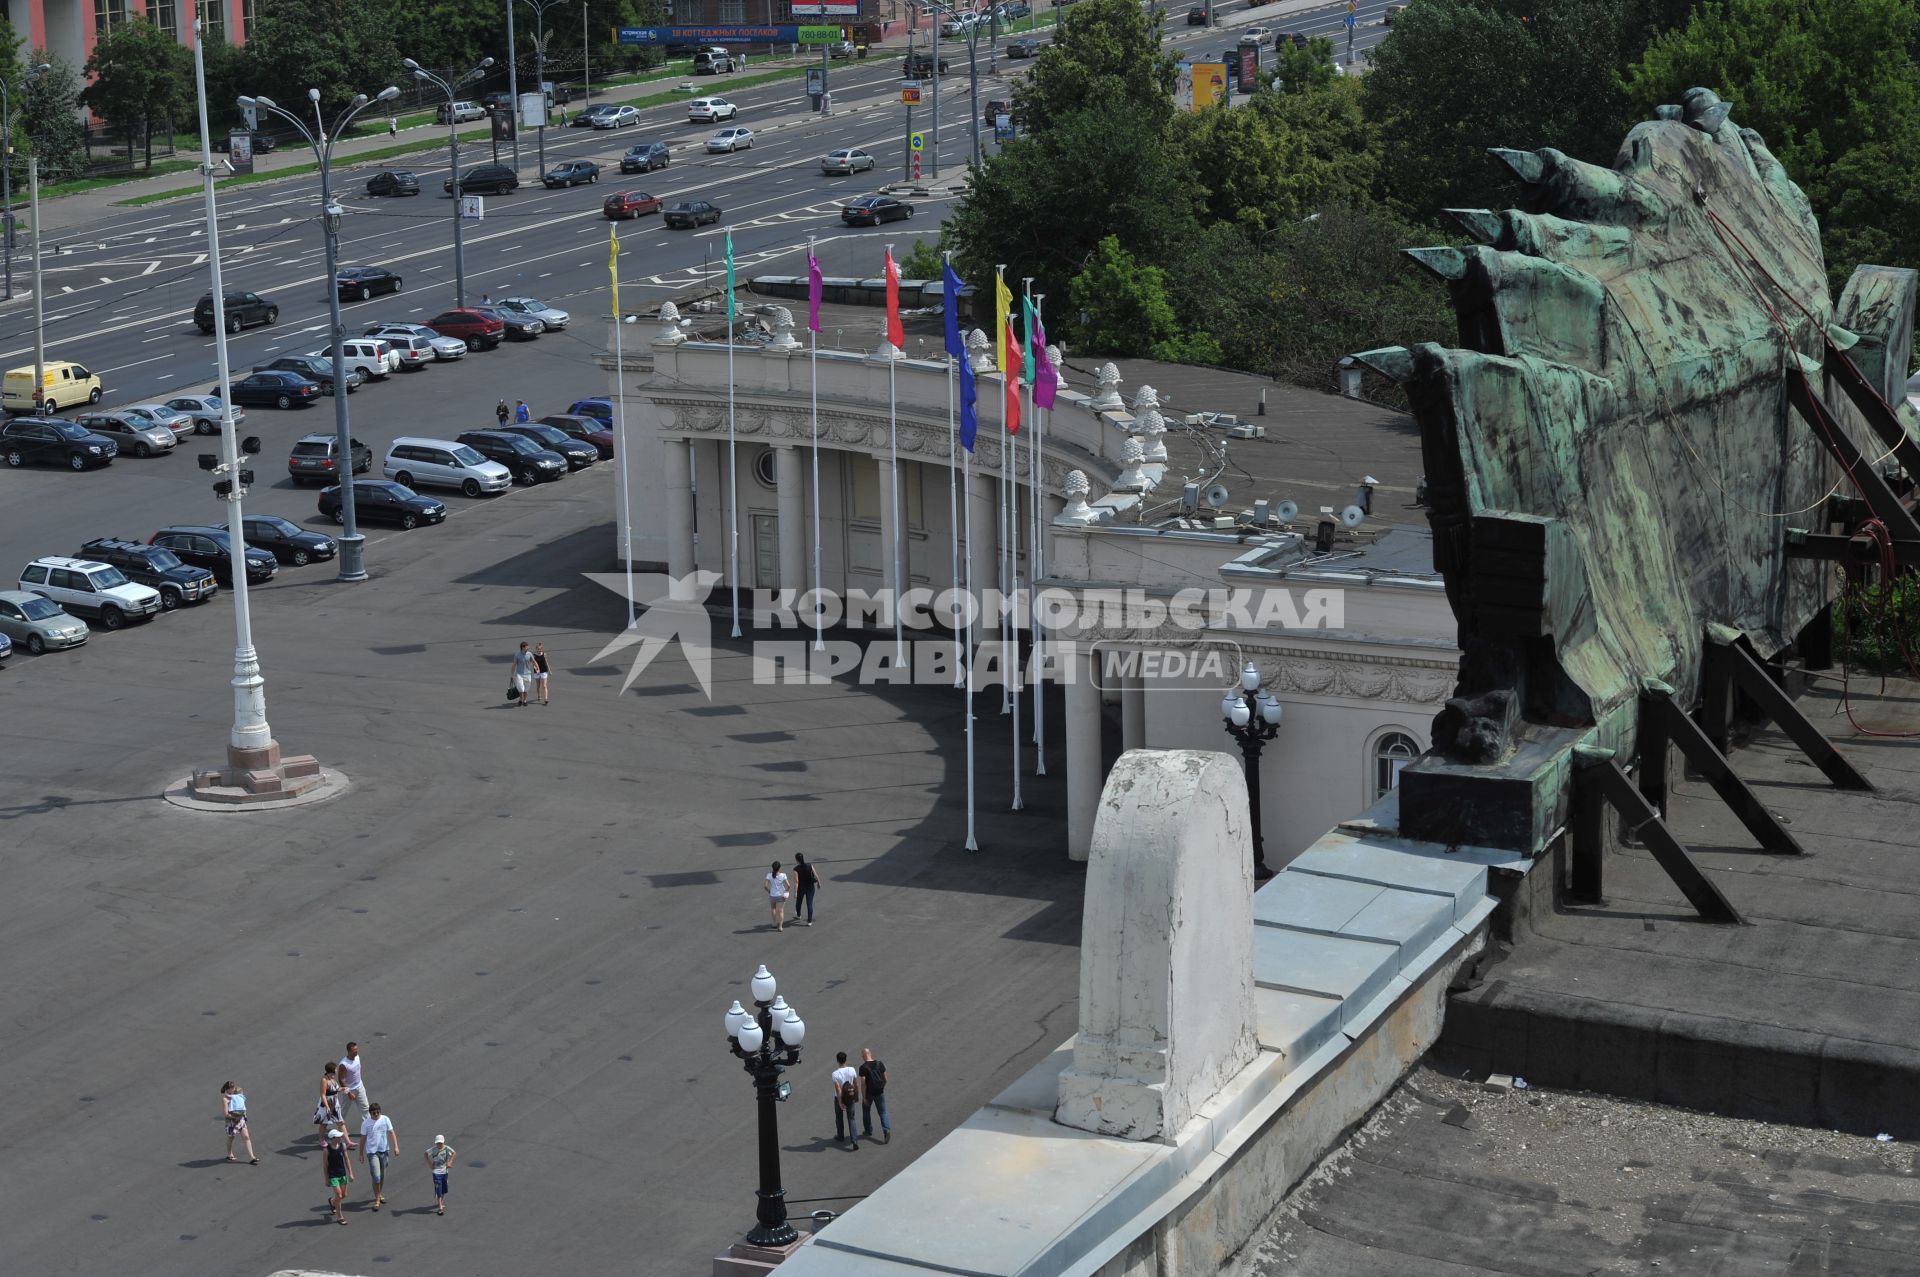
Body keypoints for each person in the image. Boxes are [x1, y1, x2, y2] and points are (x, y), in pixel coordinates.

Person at [360, 1101, 398, 1210]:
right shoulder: (366, 1123)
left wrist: (396, 1147)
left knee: (382, 1176)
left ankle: (379, 1193)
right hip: (372, 1152)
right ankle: (377, 1199)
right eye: (373, 1113)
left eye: (377, 1112)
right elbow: (363, 1139)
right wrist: (361, 1154)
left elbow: (392, 1133)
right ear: (370, 1113)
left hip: (384, 1151)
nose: (376, 1115)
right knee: (376, 1176)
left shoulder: (385, 1119)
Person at [337, 1042, 368, 1146]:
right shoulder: (343, 1064)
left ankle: (368, 1130)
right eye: (355, 1050)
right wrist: (349, 1092)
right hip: (349, 1090)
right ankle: (340, 1131)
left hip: (360, 1087)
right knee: (344, 1111)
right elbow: (341, 1080)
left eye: (357, 1049)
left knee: (365, 1108)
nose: (357, 1051)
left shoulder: (357, 1057)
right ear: (349, 1051)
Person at [857, 1047, 890, 1144]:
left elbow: (863, 1083)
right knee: (883, 1112)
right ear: (870, 1054)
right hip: (879, 1092)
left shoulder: (863, 1067)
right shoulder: (880, 1064)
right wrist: (882, 1087)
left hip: (869, 1093)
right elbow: (885, 1079)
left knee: (866, 1111)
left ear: (863, 1056)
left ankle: (868, 1130)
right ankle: (886, 1130)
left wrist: (864, 1097)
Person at [221, 1081, 257, 1164]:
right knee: (231, 1138)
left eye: (234, 1087)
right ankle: (230, 1154)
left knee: (246, 1137)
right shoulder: (225, 1099)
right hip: (231, 1122)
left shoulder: (237, 1094)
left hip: (241, 1120)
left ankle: (252, 1157)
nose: (233, 1089)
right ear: (227, 1089)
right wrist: (235, 1117)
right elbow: (226, 1114)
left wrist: (241, 1116)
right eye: (231, 1088)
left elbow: (241, 1093)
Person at [831, 1051, 861, 1148]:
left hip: (839, 1097)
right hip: (850, 1096)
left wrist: (840, 1102)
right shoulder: (852, 1070)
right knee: (851, 1118)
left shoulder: (835, 1074)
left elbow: (838, 1089)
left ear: (837, 1061)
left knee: (839, 1118)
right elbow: (856, 1084)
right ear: (845, 1059)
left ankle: (840, 1136)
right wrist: (856, 1096)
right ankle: (854, 1141)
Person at [323, 1128, 354, 1224]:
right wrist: (326, 1179)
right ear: (333, 1138)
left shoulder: (343, 1145)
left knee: (344, 1195)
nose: (341, 1138)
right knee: (339, 1195)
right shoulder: (326, 1150)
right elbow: (325, 1165)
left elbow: (347, 1159)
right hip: (333, 1176)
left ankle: (332, 1202)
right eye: (338, 1137)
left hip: (342, 1174)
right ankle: (340, 1217)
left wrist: (351, 1173)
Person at [426, 1134, 456, 1215]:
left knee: (444, 1188)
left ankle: (441, 1202)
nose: (439, 1145)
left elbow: (454, 1153)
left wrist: (450, 1162)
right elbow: (426, 1154)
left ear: (443, 1142)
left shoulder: (447, 1149)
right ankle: (440, 1207)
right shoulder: (433, 1150)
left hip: (445, 1172)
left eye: (440, 1143)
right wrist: (430, 1164)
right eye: (438, 1143)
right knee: (438, 1188)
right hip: (436, 1172)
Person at [313, 1061, 343, 1143]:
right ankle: (321, 1140)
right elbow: (323, 1095)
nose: (337, 1070)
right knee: (324, 1123)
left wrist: (343, 1088)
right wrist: (327, 1107)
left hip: (334, 1103)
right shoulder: (324, 1080)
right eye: (336, 1069)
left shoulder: (332, 1078)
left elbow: (335, 1090)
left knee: (339, 1121)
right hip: (327, 1104)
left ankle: (347, 1140)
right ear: (332, 1070)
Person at [792, 853, 820, 926]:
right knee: (809, 903)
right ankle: (809, 921)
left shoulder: (796, 869)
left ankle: (798, 915)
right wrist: (818, 882)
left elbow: (796, 882)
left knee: (799, 902)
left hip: (801, 888)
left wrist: (795, 892)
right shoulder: (809, 865)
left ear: (797, 860)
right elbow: (815, 874)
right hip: (810, 887)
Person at [765, 860, 790, 932]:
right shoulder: (783, 875)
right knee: (781, 911)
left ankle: (774, 923)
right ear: (779, 868)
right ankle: (780, 927)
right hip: (781, 895)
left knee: (773, 909)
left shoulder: (769, 875)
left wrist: (769, 891)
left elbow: (765, 886)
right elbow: (788, 885)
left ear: (772, 868)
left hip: (772, 895)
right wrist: (786, 891)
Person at [511, 641, 536, 707]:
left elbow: (533, 661)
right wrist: (512, 674)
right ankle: (521, 699)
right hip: (519, 674)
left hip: (528, 674)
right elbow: (514, 664)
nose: (528, 648)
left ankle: (524, 700)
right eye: (527, 647)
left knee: (526, 689)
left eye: (528, 646)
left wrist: (537, 667)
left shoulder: (529, 654)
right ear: (523, 647)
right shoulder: (517, 654)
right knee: (521, 688)